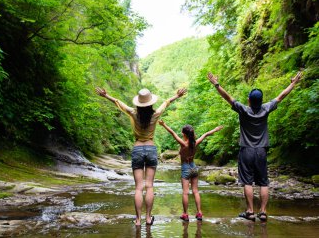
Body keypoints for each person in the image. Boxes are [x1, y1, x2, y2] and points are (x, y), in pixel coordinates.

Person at [207, 71, 303, 222]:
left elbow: (228, 98)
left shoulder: (243, 109)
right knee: (263, 182)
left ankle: (250, 211)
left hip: (246, 149)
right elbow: (281, 96)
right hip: (262, 150)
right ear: (261, 100)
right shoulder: (266, 108)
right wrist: (293, 83)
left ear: (249, 100)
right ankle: (263, 212)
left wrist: (216, 84)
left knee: (247, 181)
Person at [95, 87, 187, 226]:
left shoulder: (133, 113)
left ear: (138, 103)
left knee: (138, 187)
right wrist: (177, 96)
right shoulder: (155, 114)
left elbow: (118, 102)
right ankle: (148, 218)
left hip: (137, 149)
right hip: (151, 149)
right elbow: (166, 102)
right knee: (149, 186)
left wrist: (106, 95)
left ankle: (138, 220)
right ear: (150, 103)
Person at [158, 119, 223, 221]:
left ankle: (185, 214)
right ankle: (199, 213)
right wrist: (215, 129)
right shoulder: (195, 143)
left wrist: (164, 125)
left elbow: (172, 133)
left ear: (184, 134)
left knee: (185, 192)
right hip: (194, 167)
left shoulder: (183, 144)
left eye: (182, 133)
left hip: (185, 168)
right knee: (196, 191)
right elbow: (206, 134)